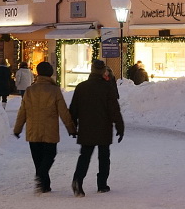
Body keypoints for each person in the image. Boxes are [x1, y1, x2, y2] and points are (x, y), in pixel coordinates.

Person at [13, 61, 76, 194]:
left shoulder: (30, 90)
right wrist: (71, 129)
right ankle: (42, 178)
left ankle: (43, 184)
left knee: (38, 158)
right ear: (50, 73)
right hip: (50, 131)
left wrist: (17, 129)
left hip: (33, 130)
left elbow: (22, 111)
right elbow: (63, 111)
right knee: (50, 154)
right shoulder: (54, 90)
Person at [70, 59, 124, 196]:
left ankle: (78, 179)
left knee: (85, 156)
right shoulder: (107, 88)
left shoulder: (81, 87)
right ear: (102, 71)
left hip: (86, 127)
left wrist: (72, 127)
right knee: (104, 156)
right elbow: (114, 110)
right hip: (103, 127)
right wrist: (120, 126)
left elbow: (73, 110)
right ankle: (102, 184)